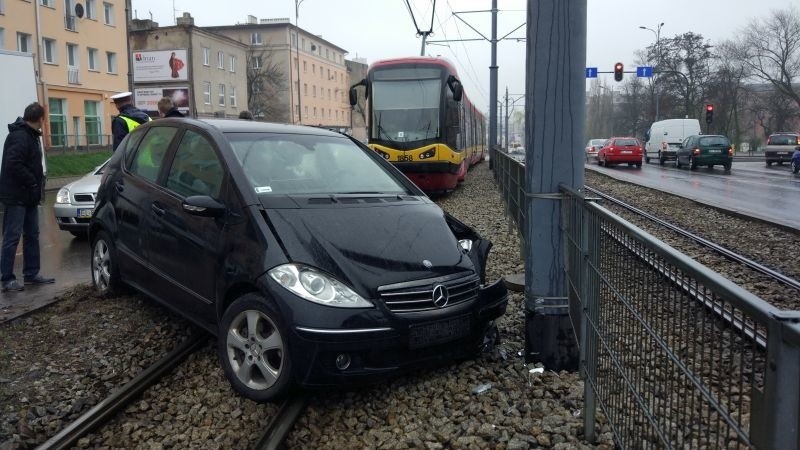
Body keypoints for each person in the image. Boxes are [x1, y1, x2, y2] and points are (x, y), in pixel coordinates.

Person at [0, 102, 55, 292]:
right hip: (16, 196)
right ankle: (7, 278)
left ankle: (31, 273)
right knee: (12, 237)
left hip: (28, 196)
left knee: (32, 235)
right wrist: (32, 181)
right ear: (40, 119)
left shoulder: (29, 135)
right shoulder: (20, 136)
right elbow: (13, 164)